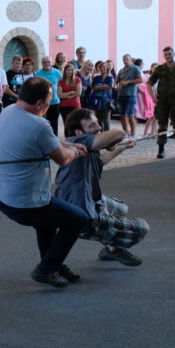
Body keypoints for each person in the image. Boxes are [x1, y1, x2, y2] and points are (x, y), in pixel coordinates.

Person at [0, 77, 90, 288]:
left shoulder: (9, 110)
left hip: (3, 196)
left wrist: (66, 144)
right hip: (25, 202)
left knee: (46, 222)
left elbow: (49, 140)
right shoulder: (39, 123)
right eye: (48, 101)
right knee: (78, 219)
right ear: (38, 104)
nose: (49, 105)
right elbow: (62, 159)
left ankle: (52, 264)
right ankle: (46, 269)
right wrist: (74, 150)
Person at [55, 108, 148, 266]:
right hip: (81, 214)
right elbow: (118, 133)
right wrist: (114, 140)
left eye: (97, 122)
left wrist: (121, 147)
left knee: (121, 208)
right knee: (141, 227)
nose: (98, 127)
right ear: (79, 132)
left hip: (87, 201)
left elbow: (99, 162)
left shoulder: (85, 147)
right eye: (92, 125)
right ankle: (107, 240)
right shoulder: (77, 143)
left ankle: (111, 248)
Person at [148, 46, 175, 158]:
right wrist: (153, 97)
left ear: (174, 54)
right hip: (162, 101)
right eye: (166, 54)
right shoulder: (160, 69)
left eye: (170, 54)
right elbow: (149, 83)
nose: (168, 56)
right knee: (162, 126)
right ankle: (161, 150)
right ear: (164, 56)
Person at [56, 62, 83, 128]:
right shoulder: (61, 81)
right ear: (65, 71)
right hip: (64, 107)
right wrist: (70, 92)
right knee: (67, 125)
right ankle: (68, 138)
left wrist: (65, 96)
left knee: (76, 125)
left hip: (75, 105)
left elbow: (78, 93)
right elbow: (60, 95)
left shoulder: (77, 80)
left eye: (71, 70)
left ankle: (76, 138)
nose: (70, 72)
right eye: (68, 70)